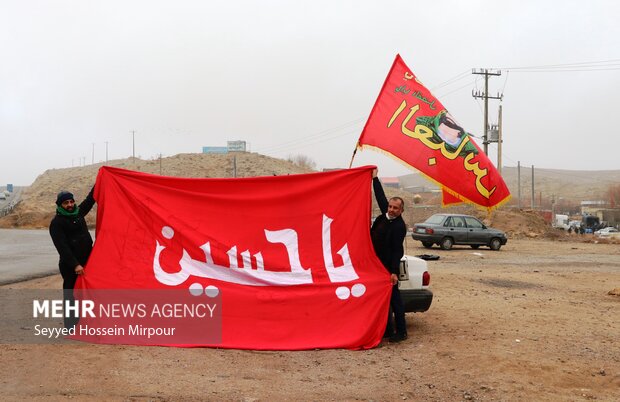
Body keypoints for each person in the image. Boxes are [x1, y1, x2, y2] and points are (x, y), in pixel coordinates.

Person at [49, 186, 96, 328]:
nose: (69, 205)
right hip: (70, 266)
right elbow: (62, 247)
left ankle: (86, 322)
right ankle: (71, 326)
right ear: (60, 205)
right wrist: (75, 265)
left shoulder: (79, 213)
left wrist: (101, 179)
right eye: (65, 203)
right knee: (71, 294)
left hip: (87, 261)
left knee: (88, 292)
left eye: (71, 201)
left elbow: (90, 200)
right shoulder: (56, 223)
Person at [370, 169, 408, 343]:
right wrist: (375, 178)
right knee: (381, 300)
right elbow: (379, 196)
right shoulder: (382, 218)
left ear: (401, 211)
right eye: (390, 207)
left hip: (387, 268)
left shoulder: (399, 226)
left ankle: (401, 332)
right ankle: (387, 330)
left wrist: (393, 271)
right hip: (375, 265)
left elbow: (396, 251)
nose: (392, 210)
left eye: (395, 208)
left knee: (395, 300)